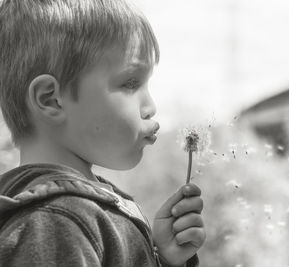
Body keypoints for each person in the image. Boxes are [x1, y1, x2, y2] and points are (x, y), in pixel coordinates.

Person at [0, 0, 205, 266]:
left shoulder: (77, 213)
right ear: (51, 99)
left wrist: (162, 258)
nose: (150, 107)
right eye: (130, 83)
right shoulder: (58, 221)